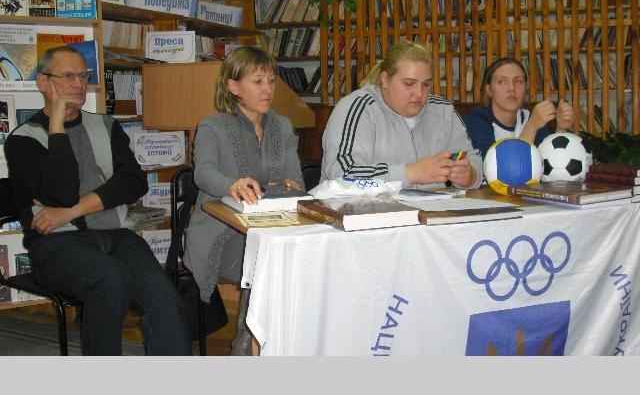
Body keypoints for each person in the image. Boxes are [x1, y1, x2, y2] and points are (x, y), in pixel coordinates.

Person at [4, 46, 192, 356]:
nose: (78, 84)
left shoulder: (106, 126)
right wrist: (57, 129)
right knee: (109, 280)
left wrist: (71, 212)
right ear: (43, 82)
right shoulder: (23, 140)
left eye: (83, 75)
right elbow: (59, 193)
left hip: (117, 236)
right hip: (56, 244)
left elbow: (133, 182)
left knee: (164, 296)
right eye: (67, 76)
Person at [183, 46, 304, 355]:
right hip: (220, 233)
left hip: (271, 228)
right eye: (258, 81)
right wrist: (231, 185)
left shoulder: (282, 126)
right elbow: (203, 173)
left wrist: (290, 186)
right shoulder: (212, 126)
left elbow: (296, 179)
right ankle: (246, 347)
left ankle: (285, 345)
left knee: (296, 257)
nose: (268, 89)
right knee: (268, 260)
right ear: (233, 86)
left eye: (272, 81)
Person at [321, 41, 483, 189]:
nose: (419, 93)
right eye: (409, 83)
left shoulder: (444, 111)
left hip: (433, 209)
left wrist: (470, 176)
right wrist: (411, 173)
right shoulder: (357, 108)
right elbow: (342, 174)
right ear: (385, 79)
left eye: (426, 84)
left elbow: (471, 158)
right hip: (361, 210)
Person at [462, 57, 576, 158]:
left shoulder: (531, 118)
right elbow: (501, 169)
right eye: (502, 81)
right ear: (489, 90)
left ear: (526, 88)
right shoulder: (475, 122)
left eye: (518, 81)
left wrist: (561, 129)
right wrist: (531, 127)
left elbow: (551, 164)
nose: (512, 88)